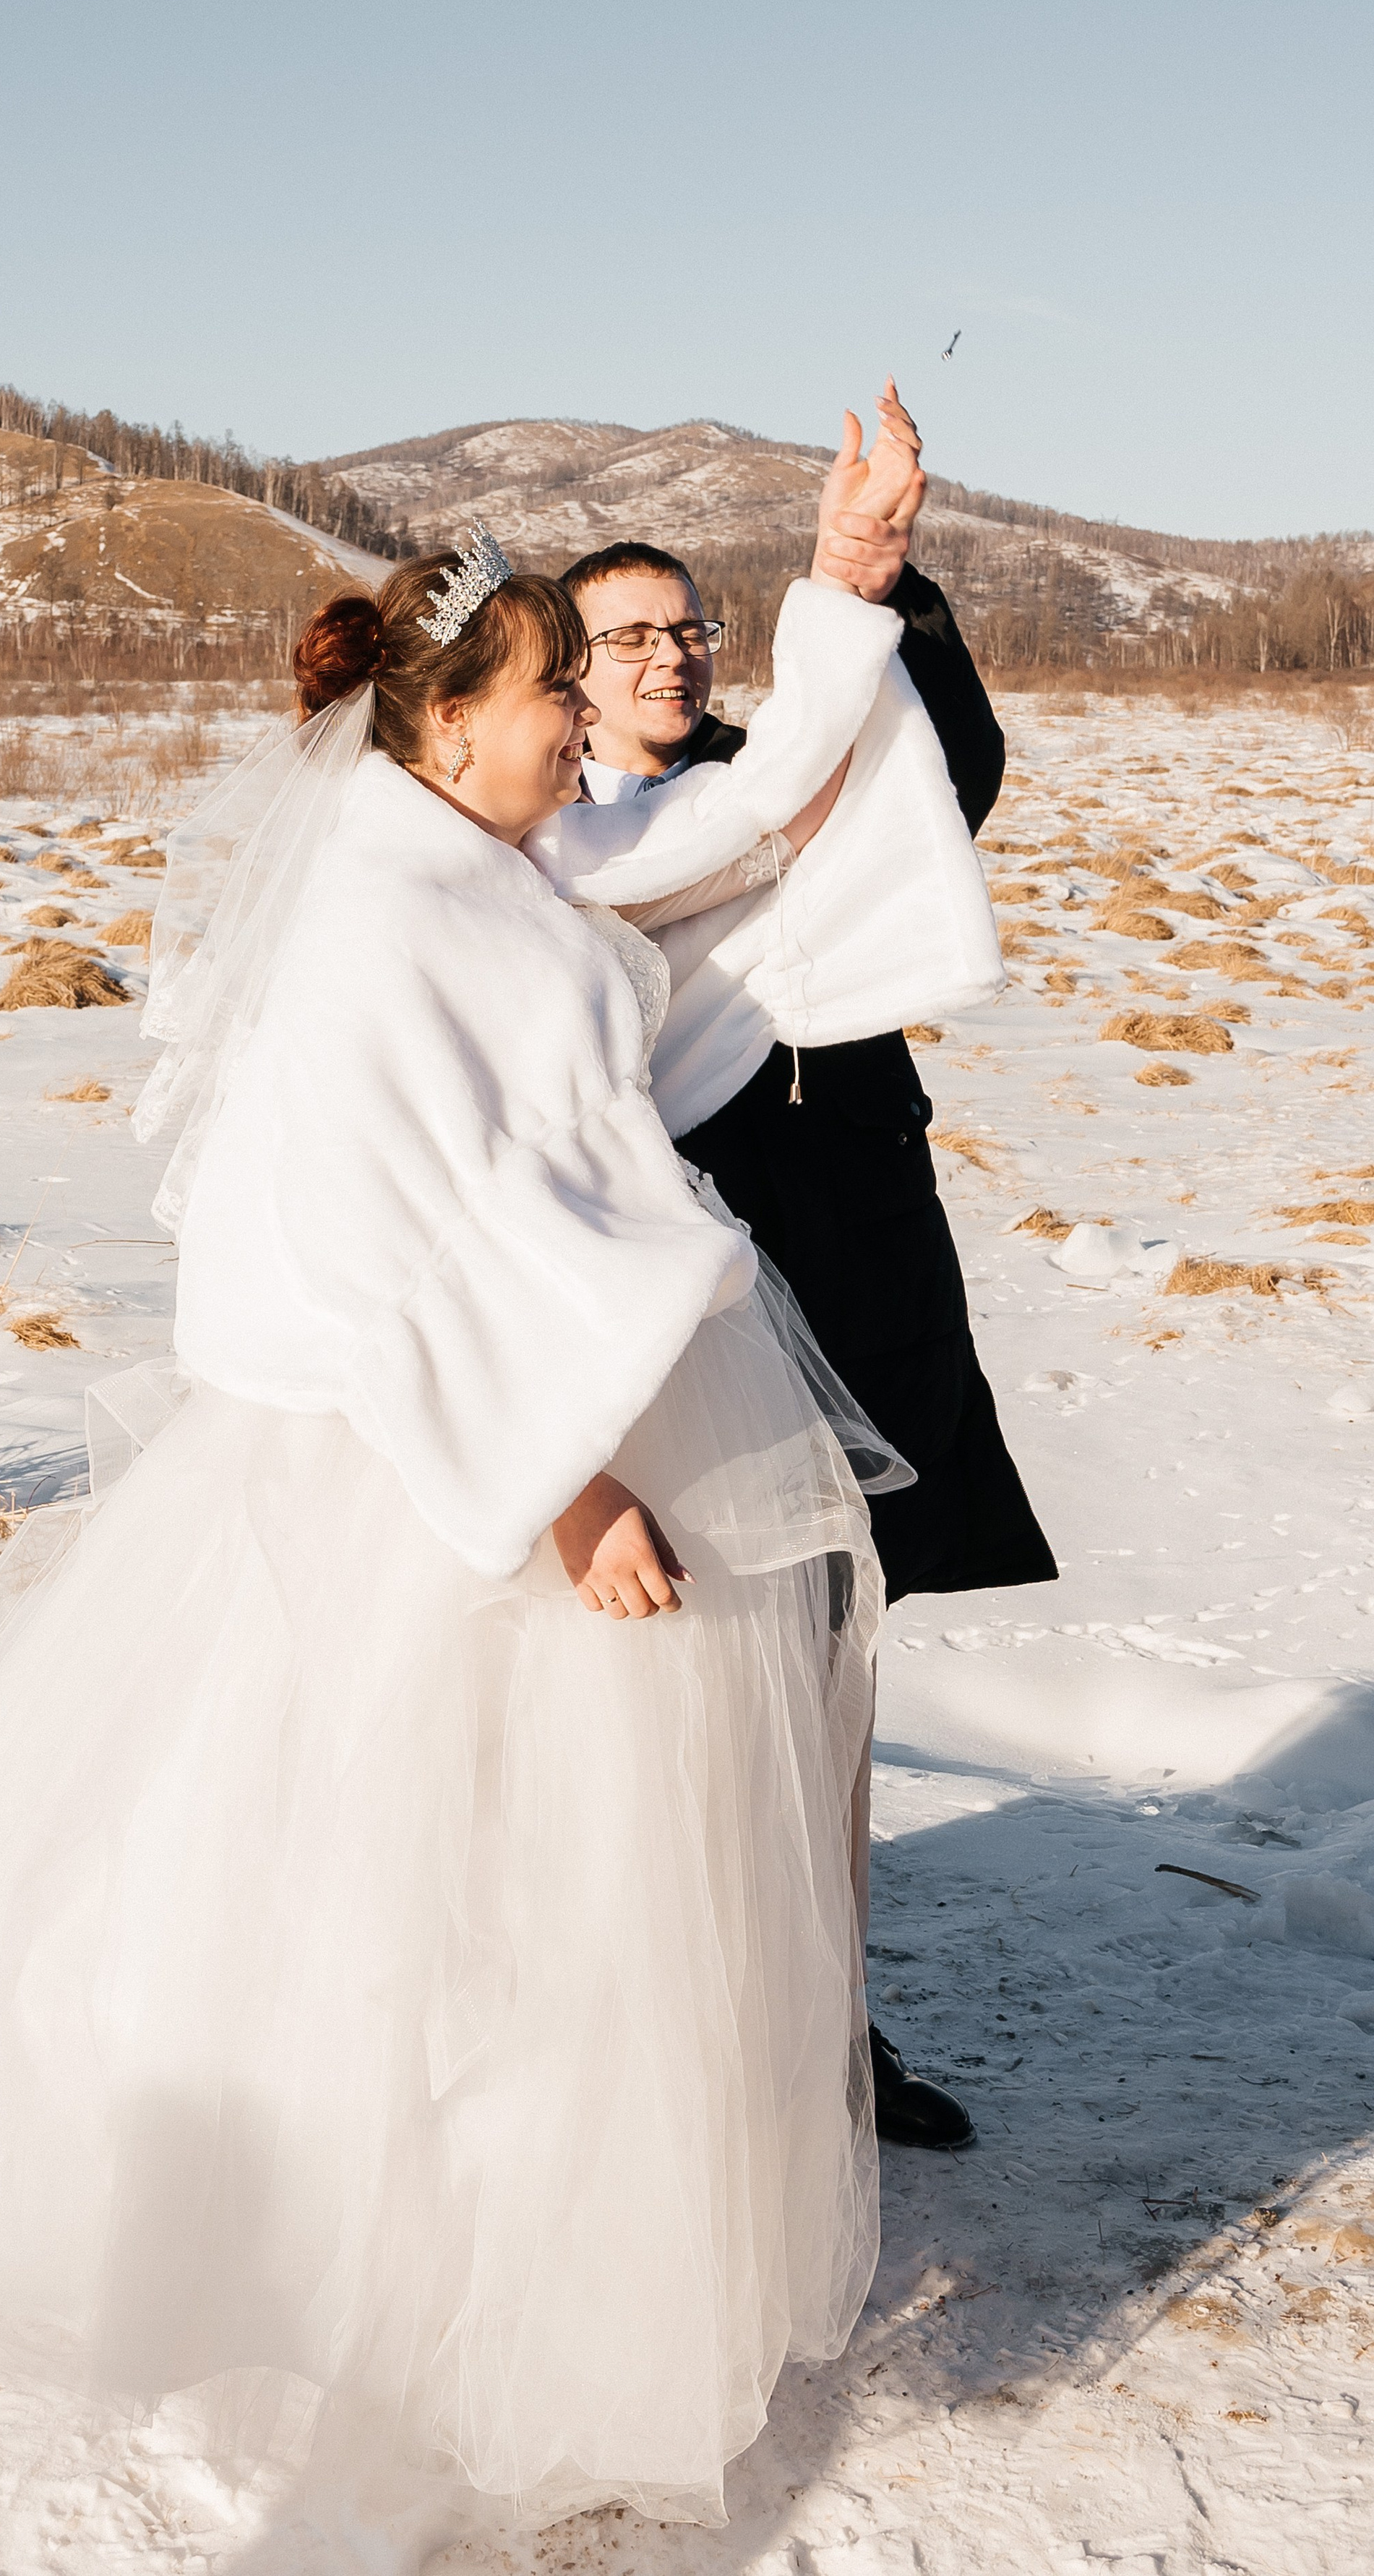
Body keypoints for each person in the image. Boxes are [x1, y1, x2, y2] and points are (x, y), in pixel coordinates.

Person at [0, 511, 922, 2562]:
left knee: (556, 1915)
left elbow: (713, 851)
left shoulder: (485, 863)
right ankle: (414, 2334)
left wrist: (846, 595)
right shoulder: (385, 915)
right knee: (436, 1918)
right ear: (449, 718)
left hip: (573, 1406)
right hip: (464, 1474)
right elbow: (376, 1241)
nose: (585, 725)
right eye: (553, 690)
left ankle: (526, 2301)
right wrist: (567, 1491)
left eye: (580, 684)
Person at [549, 388, 1057, 2155]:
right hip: (673, 1278)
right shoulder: (544, 844)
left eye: (689, 626)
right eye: (629, 639)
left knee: (839, 1639)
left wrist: (881, 588)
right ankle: (659, 2033)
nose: (673, 659)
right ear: (565, 674)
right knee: (679, 1660)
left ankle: (837, 2036)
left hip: (853, 1239)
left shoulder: (791, 768)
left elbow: (956, 781)